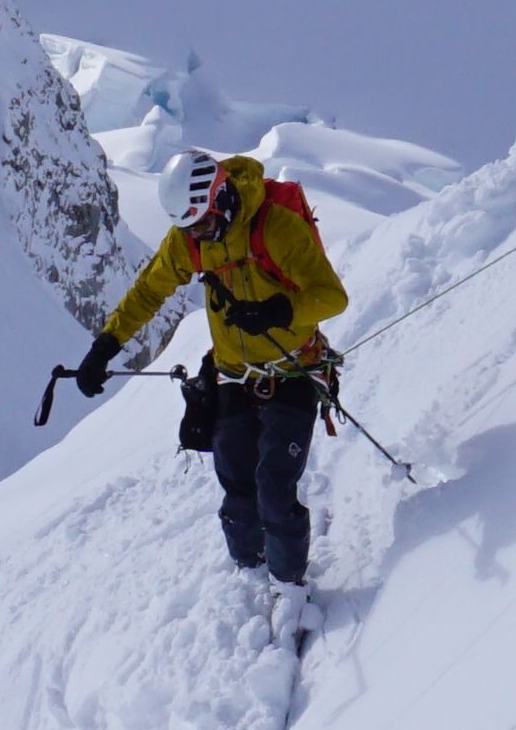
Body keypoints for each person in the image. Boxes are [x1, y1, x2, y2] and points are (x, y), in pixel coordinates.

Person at [71, 148, 351, 587]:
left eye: (200, 224)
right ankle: (254, 575)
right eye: (187, 228)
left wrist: (279, 310)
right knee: (239, 497)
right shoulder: (189, 240)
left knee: (274, 490)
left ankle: (289, 586)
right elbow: (149, 292)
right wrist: (105, 347)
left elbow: (332, 295)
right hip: (231, 377)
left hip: (293, 370)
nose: (196, 237)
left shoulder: (275, 228)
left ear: (221, 197)